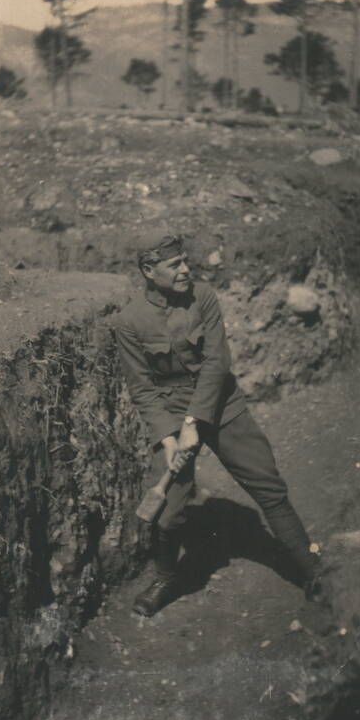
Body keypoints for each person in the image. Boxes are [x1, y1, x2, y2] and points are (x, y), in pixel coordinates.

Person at [114, 229, 323, 617]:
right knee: (168, 508)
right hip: (172, 417)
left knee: (267, 485)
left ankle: (314, 573)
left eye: (185, 260)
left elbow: (216, 362)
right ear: (148, 270)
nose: (185, 269)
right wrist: (168, 439)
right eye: (174, 264)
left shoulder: (204, 297)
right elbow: (142, 388)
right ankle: (166, 577)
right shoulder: (129, 322)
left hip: (222, 405)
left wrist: (194, 420)